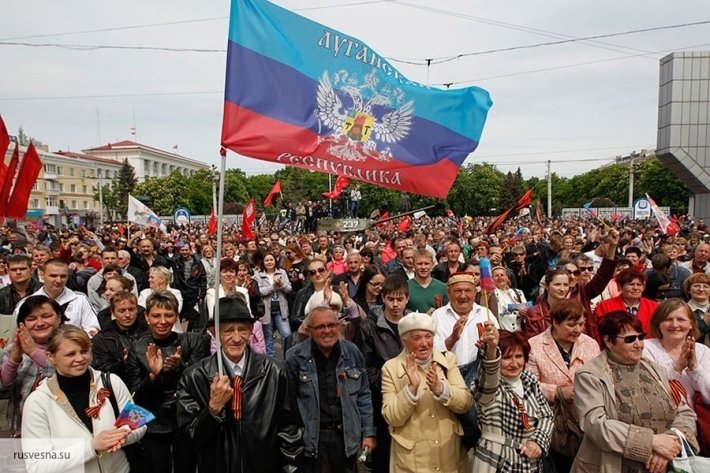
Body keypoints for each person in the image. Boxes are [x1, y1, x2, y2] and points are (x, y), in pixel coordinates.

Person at [176, 297, 304, 472]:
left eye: (242, 329)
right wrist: (213, 408)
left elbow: (291, 431)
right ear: (215, 332)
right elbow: (190, 439)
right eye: (228, 330)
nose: (236, 338)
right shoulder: (194, 377)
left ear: (251, 330)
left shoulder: (275, 371)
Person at [572, 310, 699, 472]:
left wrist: (669, 444)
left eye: (641, 336)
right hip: (612, 466)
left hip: (662, 465)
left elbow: (684, 412)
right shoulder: (591, 375)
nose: (638, 344)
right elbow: (595, 425)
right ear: (609, 341)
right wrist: (651, 442)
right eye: (630, 339)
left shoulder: (655, 369)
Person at [21, 325, 146, 473]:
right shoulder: (38, 402)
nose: (80, 359)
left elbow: (139, 423)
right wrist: (91, 447)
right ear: (51, 357)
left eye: (84, 351)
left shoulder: (111, 382)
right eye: (70, 354)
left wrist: (122, 436)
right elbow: (37, 466)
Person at [126, 290, 209, 473]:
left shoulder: (192, 341)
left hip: (185, 419)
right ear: (147, 316)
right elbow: (134, 395)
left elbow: (202, 383)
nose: (162, 321)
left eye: (168, 315)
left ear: (176, 316)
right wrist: (153, 377)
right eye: (156, 316)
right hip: (153, 422)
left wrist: (180, 367)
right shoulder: (138, 348)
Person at [286, 306, 376, 473]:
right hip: (312, 437)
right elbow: (288, 406)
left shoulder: (352, 352)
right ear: (309, 330)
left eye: (332, 325)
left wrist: (368, 433)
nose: (327, 331)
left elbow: (364, 395)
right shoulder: (294, 358)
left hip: (345, 436)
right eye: (320, 327)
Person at [381, 312, 474, 472]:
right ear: (404, 340)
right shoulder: (391, 368)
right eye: (416, 338)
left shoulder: (448, 360)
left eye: (428, 336)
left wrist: (442, 390)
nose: (424, 343)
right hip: (412, 462)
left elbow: (465, 403)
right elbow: (392, 418)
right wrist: (411, 389)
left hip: (450, 458)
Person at [526, 299, 600, 470]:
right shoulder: (534, 346)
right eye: (571, 325)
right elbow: (529, 384)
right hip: (553, 424)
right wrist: (558, 392)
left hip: (585, 422)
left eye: (581, 324)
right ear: (555, 323)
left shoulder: (590, 344)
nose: (578, 330)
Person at [473, 324, 555, 472]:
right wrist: (491, 350)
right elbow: (488, 377)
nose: (514, 363)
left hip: (531, 461)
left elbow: (547, 415)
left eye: (518, 356)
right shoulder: (489, 383)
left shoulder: (529, 379)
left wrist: (538, 442)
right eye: (507, 357)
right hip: (496, 459)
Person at [354, 275, 411, 472]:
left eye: (400, 299)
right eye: (391, 299)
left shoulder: (413, 323)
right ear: (383, 298)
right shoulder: (368, 327)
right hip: (381, 398)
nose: (395, 305)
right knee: (384, 453)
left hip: (411, 396)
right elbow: (363, 366)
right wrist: (388, 382)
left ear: (407, 299)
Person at [0, 295, 64, 436]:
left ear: (58, 317)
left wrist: (34, 352)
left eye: (46, 316)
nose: (40, 323)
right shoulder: (13, 349)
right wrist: (14, 360)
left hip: (62, 430)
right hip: (22, 430)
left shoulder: (75, 343)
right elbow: (2, 390)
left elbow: (70, 375)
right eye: (31, 319)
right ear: (22, 323)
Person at [642, 299, 710, 411]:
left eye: (681, 319)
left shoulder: (702, 351)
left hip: (699, 422)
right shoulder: (646, 349)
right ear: (658, 324)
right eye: (668, 319)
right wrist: (677, 368)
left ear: (691, 324)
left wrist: (695, 368)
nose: (674, 325)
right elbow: (650, 394)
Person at [22, 258, 100, 336]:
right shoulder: (26, 303)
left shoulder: (80, 300)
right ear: (42, 275)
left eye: (63, 276)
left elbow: (92, 329)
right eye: (53, 276)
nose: (58, 280)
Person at [91, 291, 150, 380]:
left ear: (137, 310)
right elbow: (102, 370)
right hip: (118, 384)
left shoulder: (150, 333)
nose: (127, 315)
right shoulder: (101, 339)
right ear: (113, 312)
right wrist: (124, 363)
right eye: (122, 311)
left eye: (131, 309)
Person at [595, 268, 659, 334]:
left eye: (639, 285)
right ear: (620, 286)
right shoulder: (605, 306)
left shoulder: (654, 306)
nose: (636, 288)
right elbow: (600, 332)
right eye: (631, 284)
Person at [256, 253, 292, 358]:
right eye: (266, 260)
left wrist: (281, 285)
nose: (269, 262)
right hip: (266, 311)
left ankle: (287, 358)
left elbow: (289, 289)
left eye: (271, 260)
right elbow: (259, 292)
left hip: (280, 310)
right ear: (263, 262)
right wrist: (272, 287)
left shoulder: (282, 273)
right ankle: (271, 360)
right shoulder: (259, 276)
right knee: (268, 337)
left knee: (287, 334)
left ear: (275, 261)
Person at [170, 242, 207, 332]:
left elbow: (203, 279)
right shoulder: (175, 261)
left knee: (192, 317)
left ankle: (189, 334)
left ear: (190, 250)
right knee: (179, 314)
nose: (184, 252)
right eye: (182, 250)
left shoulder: (197, 262)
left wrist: (201, 294)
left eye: (186, 250)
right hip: (180, 292)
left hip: (193, 293)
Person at [138, 266, 183, 332]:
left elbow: (176, 311)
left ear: (161, 279)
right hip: (149, 331)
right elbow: (141, 313)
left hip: (172, 331)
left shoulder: (175, 293)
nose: (149, 280)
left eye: (152, 277)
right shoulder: (144, 293)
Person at [407, 249, 448, 314]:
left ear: (432, 264)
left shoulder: (443, 287)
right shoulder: (405, 287)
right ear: (413, 265)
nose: (423, 267)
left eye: (426, 264)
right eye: (419, 264)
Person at [492, 265, 527, 332]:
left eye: (502, 275)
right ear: (492, 279)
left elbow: (526, 309)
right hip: (503, 334)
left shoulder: (518, 292)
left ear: (507, 277)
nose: (500, 277)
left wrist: (525, 313)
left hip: (520, 333)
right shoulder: (491, 295)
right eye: (496, 276)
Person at [685, 272, 710, 345]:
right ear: (689, 290)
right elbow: (686, 337)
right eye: (696, 286)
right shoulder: (684, 310)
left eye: (706, 286)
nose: (701, 289)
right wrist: (705, 323)